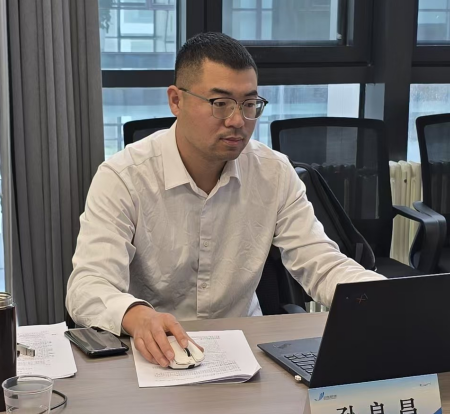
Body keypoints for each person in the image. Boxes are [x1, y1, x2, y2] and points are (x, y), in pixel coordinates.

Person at [66, 32, 384, 368]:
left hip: (243, 350)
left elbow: (320, 262)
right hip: (154, 355)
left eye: (249, 104)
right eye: (220, 104)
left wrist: (387, 299)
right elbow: (88, 285)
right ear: (176, 100)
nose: (237, 121)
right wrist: (137, 315)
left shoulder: (274, 173)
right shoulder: (123, 176)